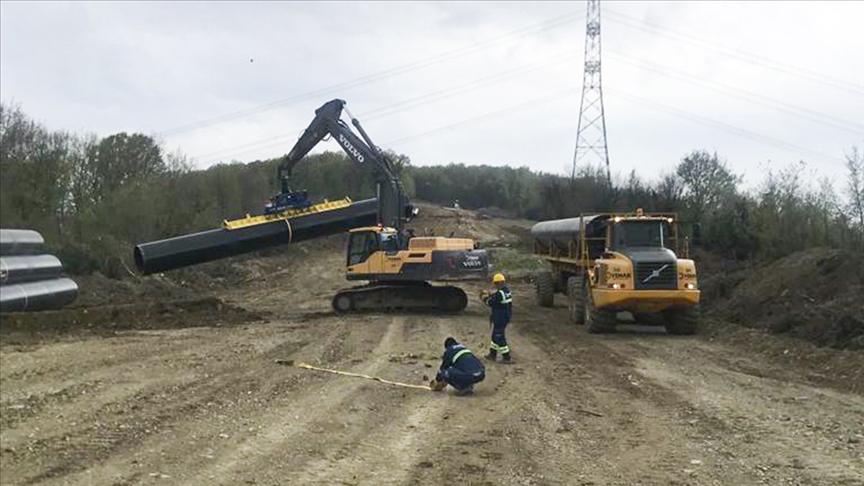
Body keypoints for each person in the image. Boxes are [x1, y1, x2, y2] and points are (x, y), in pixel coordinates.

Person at [483, 272, 513, 363]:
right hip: (504, 316)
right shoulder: (506, 291)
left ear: (498, 283)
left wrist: (485, 298)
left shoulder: (500, 294)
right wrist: (490, 295)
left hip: (500, 317)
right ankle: (492, 354)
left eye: (496, 284)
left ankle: (506, 357)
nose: (495, 286)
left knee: (499, 336)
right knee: (495, 335)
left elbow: (491, 303)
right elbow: (496, 297)